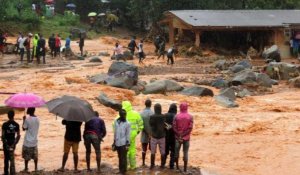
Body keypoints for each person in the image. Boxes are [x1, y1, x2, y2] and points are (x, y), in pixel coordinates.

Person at [113, 101, 143, 170]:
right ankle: (133, 166)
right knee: (132, 151)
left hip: (123, 137)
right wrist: (137, 131)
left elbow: (114, 125)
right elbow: (141, 124)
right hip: (133, 135)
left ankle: (126, 166)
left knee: (125, 152)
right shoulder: (136, 114)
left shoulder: (120, 115)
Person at [173, 102, 193, 173]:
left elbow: (174, 127)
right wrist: (184, 135)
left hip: (177, 137)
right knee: (185, 152)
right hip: (186, 138)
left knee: (176, 152)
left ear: (180, 107)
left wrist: (179, 135)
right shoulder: (190, 117)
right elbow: (190, 128)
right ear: (187, 107)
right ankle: (185, 169)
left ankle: (177, 167)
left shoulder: (176, 116)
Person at [2, 110, 21, 175]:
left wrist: (6, 144)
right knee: (12, 159)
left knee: (6, 159)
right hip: (13, 143)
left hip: (6, 144)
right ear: (14, 115)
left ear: (8, 116)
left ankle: (6, 173)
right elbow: (18, 136)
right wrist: (14, 144)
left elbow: (3, 136)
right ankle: (12, 173)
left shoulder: (4, 125)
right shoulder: (16, 125)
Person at [113, 109, 131, 175]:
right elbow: (115, 132)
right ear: (120, 115)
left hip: (124, 143)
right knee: (119, 157)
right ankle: (120, 170)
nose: (124, 116)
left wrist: (127, 144)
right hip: (117, 142)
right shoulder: (116, 121)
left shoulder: (128, 123)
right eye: (123, 115)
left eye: (125, 115)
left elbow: (128, 134)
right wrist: (114, 142)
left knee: (124, 158)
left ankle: (123, 171)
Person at [22, 107, 40, 172]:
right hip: (34, 141)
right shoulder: (38, 119)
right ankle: (35, 168)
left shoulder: (27, 119)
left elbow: (24, 128)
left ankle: (26, 168)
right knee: (35, 157)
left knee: (26, 157)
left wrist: (23, 120)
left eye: (28, 109)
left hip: (27, 141)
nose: (26, 110)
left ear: (29, 110)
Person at [149, 103, 166, 169]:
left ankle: (152, 165)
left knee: (153, 152)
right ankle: (162, 165)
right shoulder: (163, 116)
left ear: (155, 109)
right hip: (162, 136)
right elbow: (165, 125)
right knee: (162, 152)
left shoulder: (152, 116)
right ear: (160, 109)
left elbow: (150, 124)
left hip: (154, 136)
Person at [140, 99, 154, 166]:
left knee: (143, 149)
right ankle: (152, 164)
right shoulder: (153, 113)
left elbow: (140, 124)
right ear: (150, 104)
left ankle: (143, 163)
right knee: (152, 150)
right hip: (152, 134)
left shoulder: (141, 113)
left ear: (145, 104)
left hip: (144, 133)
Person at [164, 103, 177, 169]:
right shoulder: (176, 116)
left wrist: (167, 127)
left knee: (165, 151)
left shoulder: (165, 115)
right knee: (173, 151)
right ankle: (171, 165)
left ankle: (163, 164)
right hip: (173, 136)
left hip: (166, 136)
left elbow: (163, 125)